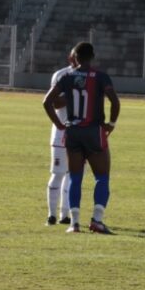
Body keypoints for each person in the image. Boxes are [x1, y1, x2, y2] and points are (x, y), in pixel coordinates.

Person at [42, 42, 121, 235]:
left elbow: (47, 102)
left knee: (74, 177)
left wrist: (60, 124)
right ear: (92, 57)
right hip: (93, 131)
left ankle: (74, 223)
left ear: (74, 57)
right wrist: (111, 124)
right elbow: (115, 101)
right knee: (102, 177)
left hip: (73, 132)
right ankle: (97, 221)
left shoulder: (66, 77)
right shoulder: (101, 77)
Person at [45, 54, 77, 225]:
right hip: (61, 133)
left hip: (80, 133)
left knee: (72, 175)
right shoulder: (61, 75)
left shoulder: (90, 76)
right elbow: (55, 103)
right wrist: (75, 94)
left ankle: (65, 215)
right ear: (70, 58)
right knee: (58, 173)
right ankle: (51, 215)